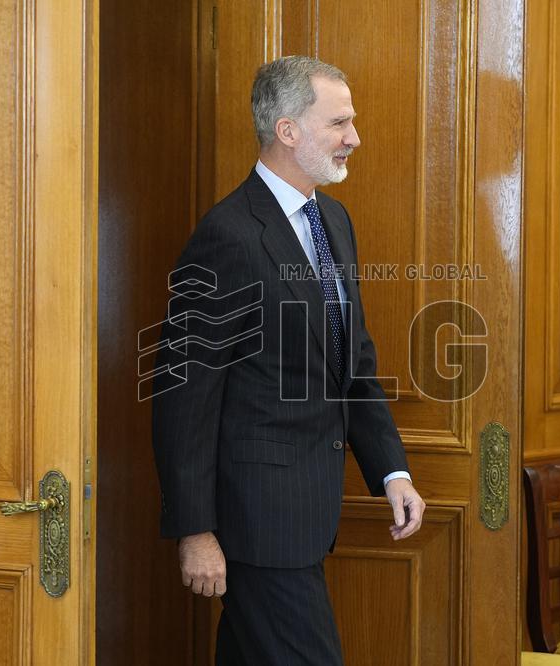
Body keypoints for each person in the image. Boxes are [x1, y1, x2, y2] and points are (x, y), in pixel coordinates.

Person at [150, 55, 425, 665]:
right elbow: (184, 394)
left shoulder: (334, 220)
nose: (355, 137)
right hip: (256, 522)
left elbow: (353, 358)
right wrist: (195, 531)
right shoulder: (228, 234)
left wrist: (392, 472)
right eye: (340, 123)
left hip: (308, 513)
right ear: (288, 130)